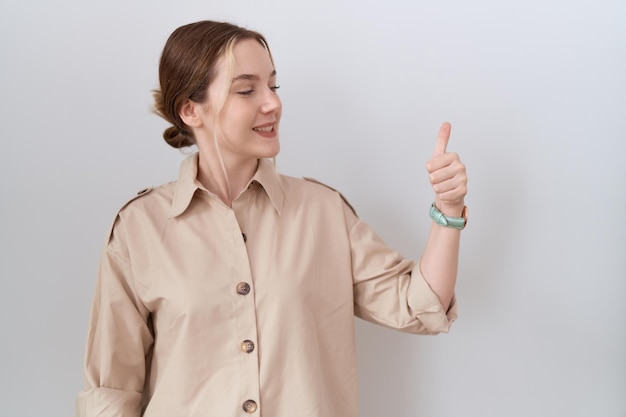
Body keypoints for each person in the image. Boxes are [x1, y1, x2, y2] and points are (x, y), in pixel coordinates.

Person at [76, 20, 468, 417]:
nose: (273, 103)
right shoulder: (138, 228)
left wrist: (448, 212)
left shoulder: (323, 212)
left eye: (273, 86)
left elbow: (421, 306)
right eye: (247, 89)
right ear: (190, 110)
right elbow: (110, 390)